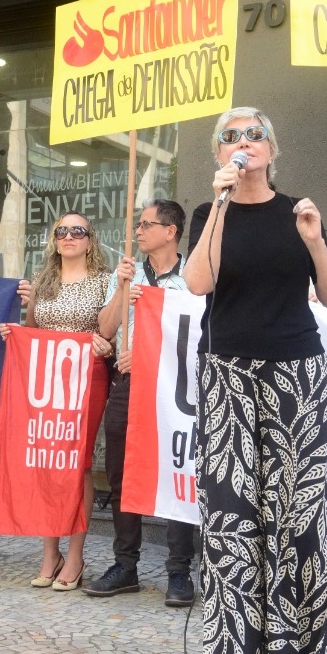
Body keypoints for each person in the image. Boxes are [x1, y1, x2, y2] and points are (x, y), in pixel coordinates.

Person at [183, 106, 327, 654]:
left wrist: (313, 239)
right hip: (227, 376)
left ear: (273, 150)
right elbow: (198, 283)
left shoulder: (298, 212)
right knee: (233, 521)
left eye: (254, 136)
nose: (244, 144)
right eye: (232, 137)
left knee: (305, 521)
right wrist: (221, 205)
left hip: (296, 376)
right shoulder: (211, 214)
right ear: (219, 153)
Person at [86, 198, 200, 606]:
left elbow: (201, 337)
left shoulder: (195, 276)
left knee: (178, 471)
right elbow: (106, 327)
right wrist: (121, 290)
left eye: (147, 224)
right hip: (128, 384)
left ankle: (179, 571)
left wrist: (151, 356)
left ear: (170, 231)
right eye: (138, 224)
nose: (138, 231)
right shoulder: (131, 276)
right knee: (122, 474)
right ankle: (125, 565)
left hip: (175, 388)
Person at [2, 212, 115, 591]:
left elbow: (109, 329)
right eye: (61, 231)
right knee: (47, 459)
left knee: (77, 463)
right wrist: (15, 332)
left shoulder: (103, 281)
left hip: (86, 379)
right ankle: (50, 553)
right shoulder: (42, 281)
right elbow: (34, 330)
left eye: (77, 230)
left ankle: (77, 554)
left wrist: (106, 342)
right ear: (54, 239)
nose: (68, 236)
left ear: (89, 239)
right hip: (45, 381)